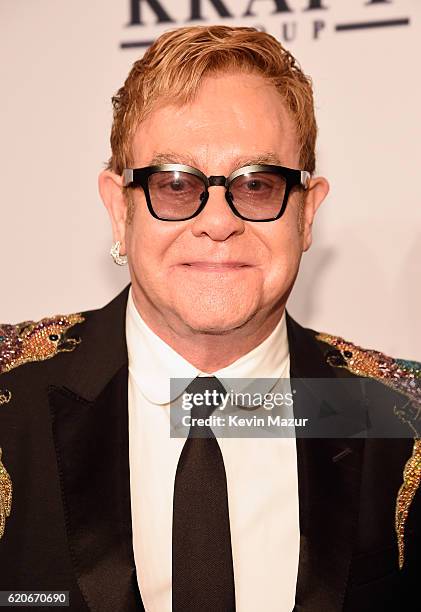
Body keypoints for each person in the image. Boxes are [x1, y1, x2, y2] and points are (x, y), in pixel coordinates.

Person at [0, 25, 420, 612]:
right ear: (119, 211)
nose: (219, 222)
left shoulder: (402, 417)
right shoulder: (8, 396)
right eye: (175, 185)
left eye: (258, 185)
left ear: (307, 214)